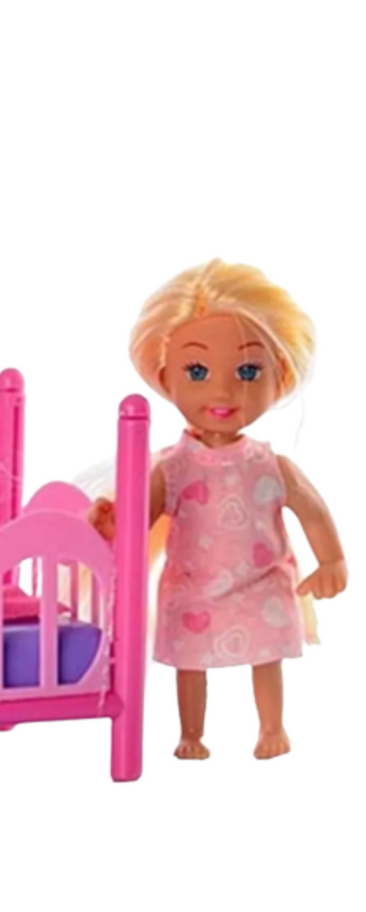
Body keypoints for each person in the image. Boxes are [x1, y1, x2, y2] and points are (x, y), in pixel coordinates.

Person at [88, 260, 347, 760]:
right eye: (197, 371)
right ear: (166, 377)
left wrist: (331, 559)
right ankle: (191, 732)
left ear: (279, 375)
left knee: (267, 657)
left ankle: (271, 727)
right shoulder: (173, 467)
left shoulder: (270, 464)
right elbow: (142, 520)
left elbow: (312, 511)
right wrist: (113, 523)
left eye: (248, 371)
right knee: (191, 665)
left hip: (261, 581)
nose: (223, 392)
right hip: (194, 587)